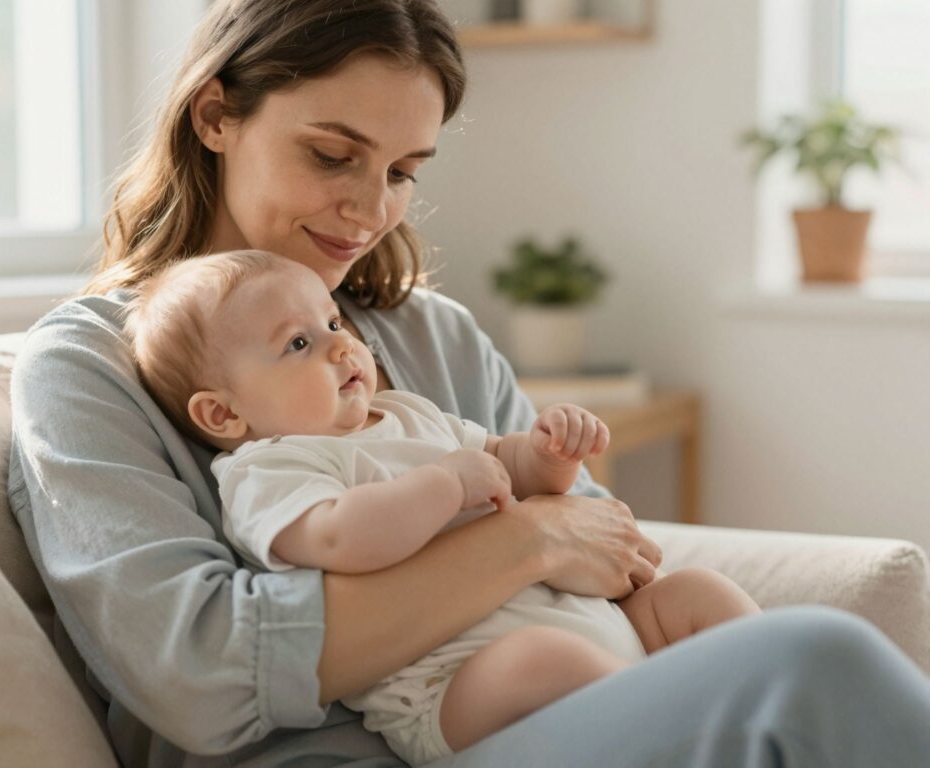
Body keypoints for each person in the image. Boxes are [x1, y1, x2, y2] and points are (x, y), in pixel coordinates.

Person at [7, 1, 930, 766]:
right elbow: (199, 676)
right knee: (814, 656)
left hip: (556, 711)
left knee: (774, 658)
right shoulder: (88, 370)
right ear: (215, 116)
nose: (371, 210)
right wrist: (519, 541)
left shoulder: (428, 334)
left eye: (402, 172)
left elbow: (609, 556)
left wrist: (551, 519)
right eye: (333, 155)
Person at [121, 248, 763, 766]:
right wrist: (445, 487)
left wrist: (548, 453)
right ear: (224, 412)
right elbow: (341, 539)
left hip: (598, 629)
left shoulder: (403, 414)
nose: (340, 347)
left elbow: (508, 467)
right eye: (297, 345)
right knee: (543, 662)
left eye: (335, 325)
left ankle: (767, 715)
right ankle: (687, 742)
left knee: (697, 594)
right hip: (455, 689)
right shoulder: (271, 469)